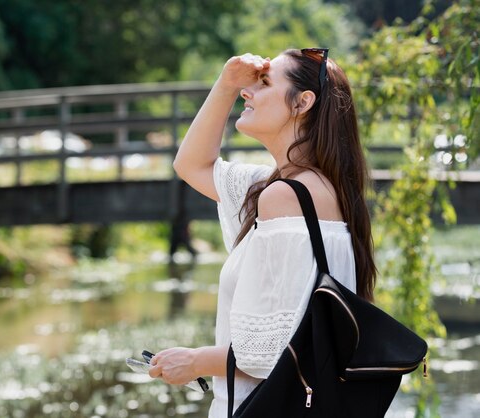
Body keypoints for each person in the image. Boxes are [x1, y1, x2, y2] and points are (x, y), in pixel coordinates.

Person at [147, 49, 377, 417]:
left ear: (303, 102)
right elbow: (190, 164)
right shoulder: (291, 186)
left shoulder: (287, 197)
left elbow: (273, 353)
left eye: (265, 84)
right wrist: (225, 85)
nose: (247, 92)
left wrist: (194, 362)